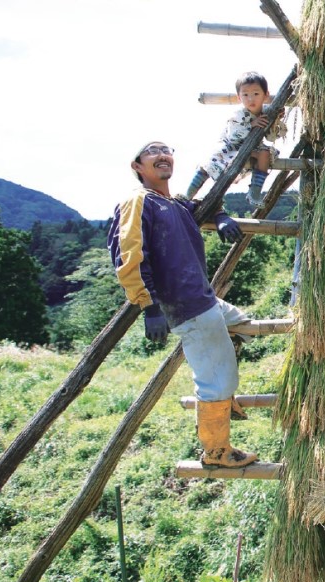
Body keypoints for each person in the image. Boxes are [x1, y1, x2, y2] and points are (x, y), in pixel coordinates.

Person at [108, 140, 257, 468]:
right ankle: (216, 451)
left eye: (166, 150)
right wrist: (148, 306)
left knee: (243, 325)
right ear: (137, 166)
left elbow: (202, 206)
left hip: (203, 300)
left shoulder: (173, 203)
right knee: (217, 380)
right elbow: (129, 255)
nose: (162, 155)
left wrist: (218, 217)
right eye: (152, 152)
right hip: (185, 304)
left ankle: (219, 398)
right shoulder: (138, 201)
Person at [185, 71, 287, 205]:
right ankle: (188, 195)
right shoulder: (238, 114)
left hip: (253, 147)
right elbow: (233, 136)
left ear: (266, 95)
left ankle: (255, 192)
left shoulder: (267, 112)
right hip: (231, 146)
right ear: (239, 97)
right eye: (245, 95)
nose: (251, 99)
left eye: (256, 94)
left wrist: (275, 120)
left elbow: (271, 137)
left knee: (265, 154)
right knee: (209, 164)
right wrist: (251, 125)